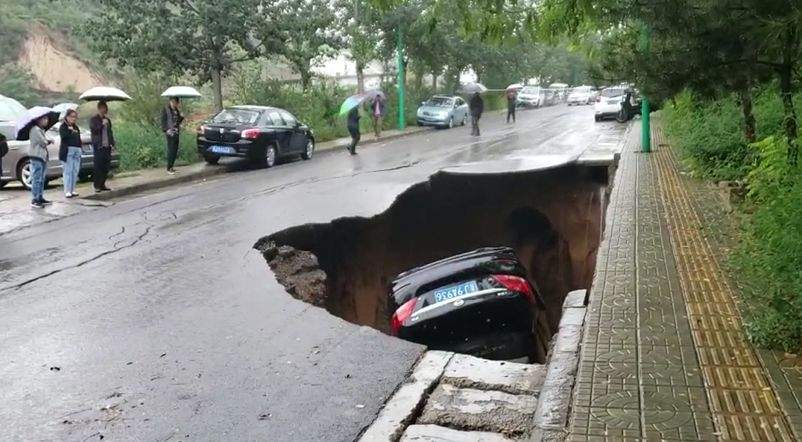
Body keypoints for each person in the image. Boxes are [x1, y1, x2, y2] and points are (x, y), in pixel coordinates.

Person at [89, 101, 114, 192]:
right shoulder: (94, 119)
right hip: (99, 145)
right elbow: (94, 130)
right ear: (99, 108)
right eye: (103, 108)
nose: (104, 110)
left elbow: (110, 132)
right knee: (98, 166)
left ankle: (103, 184)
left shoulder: (108, 120)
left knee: (106, 166)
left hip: (107, 145)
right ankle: (97, 185)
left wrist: (112, 143)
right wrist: (101, 124)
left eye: (105, 108)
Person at [28, 116, 52, 208]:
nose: (46, 121)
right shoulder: (35, 129)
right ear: (38, 120)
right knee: (37, 178)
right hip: (36, 155)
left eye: (47, 119)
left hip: (42, 156)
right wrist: (48, 141)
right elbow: (43, 142)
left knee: (42, 178)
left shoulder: (40, 130)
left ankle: (40, 197)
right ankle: (35, 199)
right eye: (44, 119)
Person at [59, 109, 82, 198]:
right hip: (68, 150)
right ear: (67, 117)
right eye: (72, 117)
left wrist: (80, 148)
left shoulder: (76, 127)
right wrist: (70, 131)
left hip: (77, 150)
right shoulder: (63, 127)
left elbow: (78, 138)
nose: (73, 119)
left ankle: (72, 189)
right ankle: (67, 190)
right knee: (68, 170)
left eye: (75, 117)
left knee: (75, 170)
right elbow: (64, 137)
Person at [161, 97, 184, 174]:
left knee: (175, 150)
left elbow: (178, 121)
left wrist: (181, 117)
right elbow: (163, 121)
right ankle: (168, 168)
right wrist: (166, 129)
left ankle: (172, 166)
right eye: (173, 102)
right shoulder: (166, 109)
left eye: (176, 103)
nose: (174, 104)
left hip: (176, 132)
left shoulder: (176, 110)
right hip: (170, 132)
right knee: (171, 150)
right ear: (170, 101)